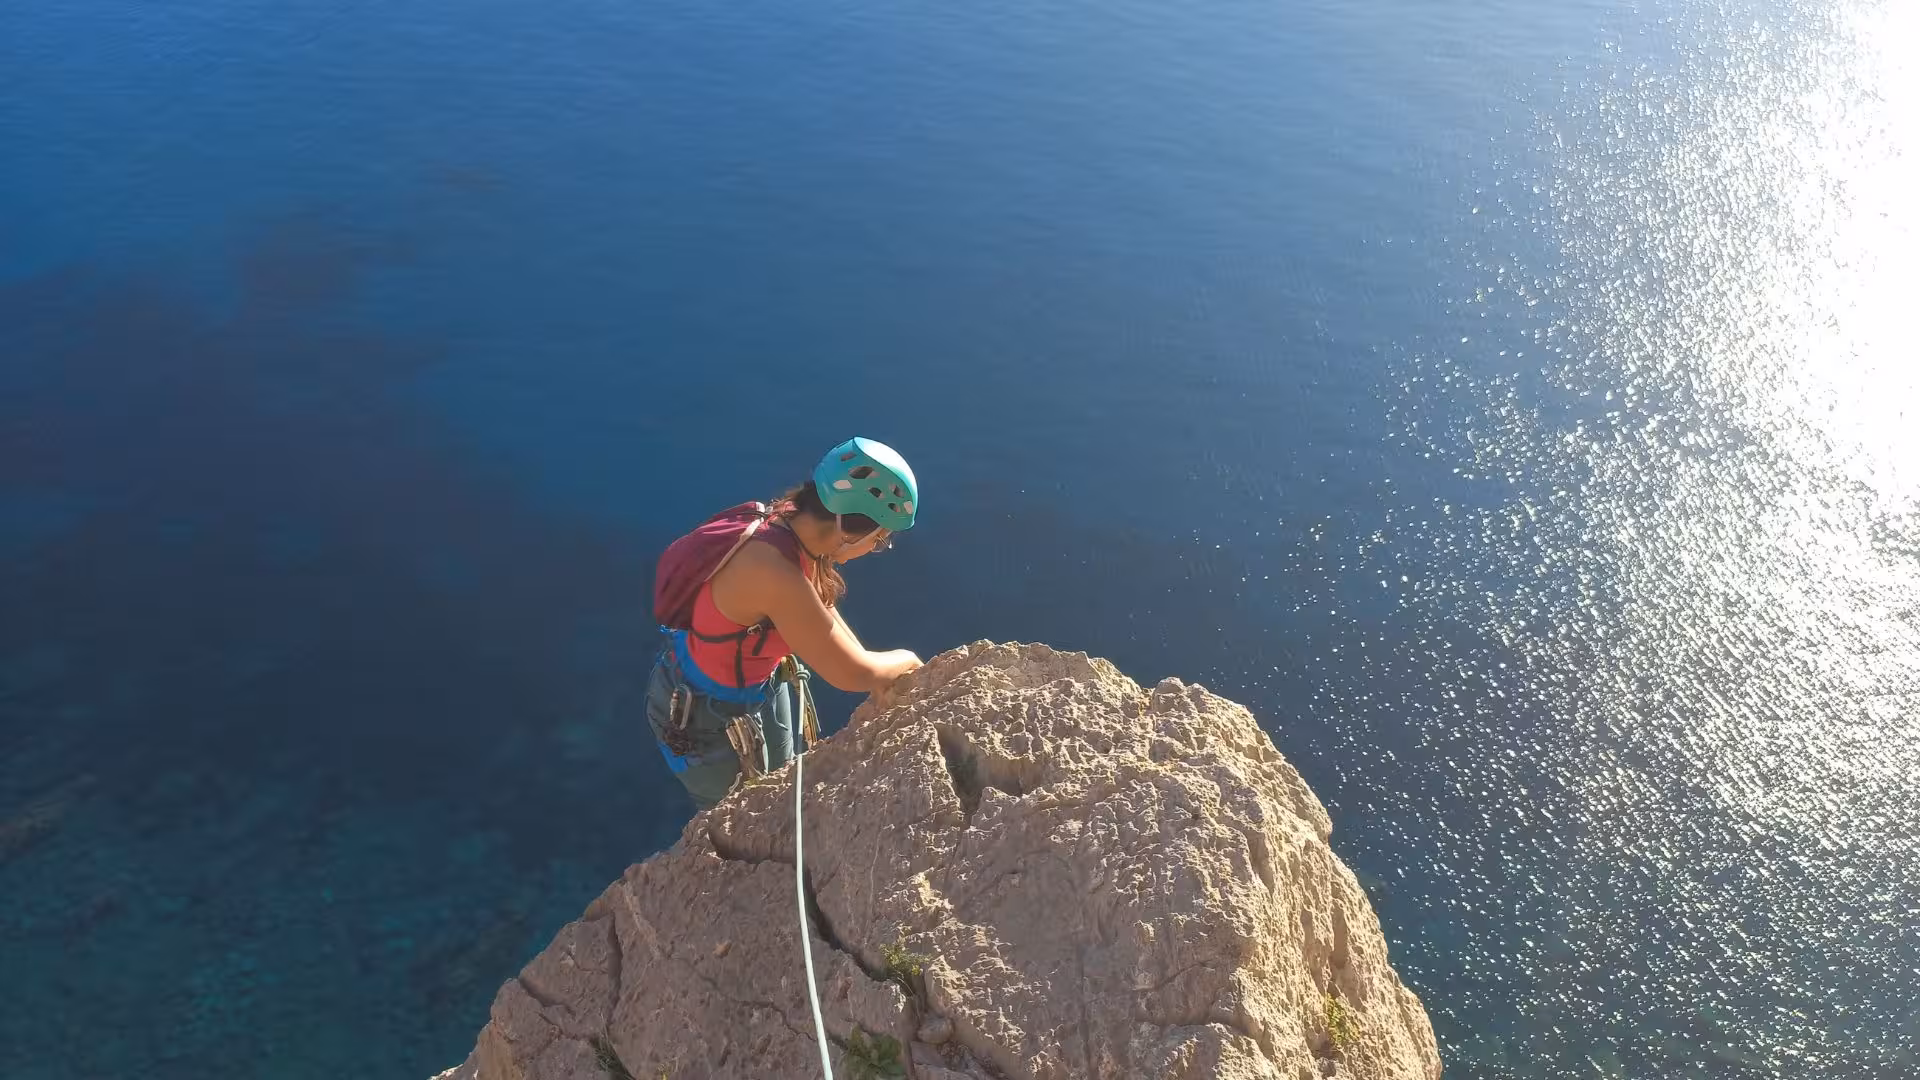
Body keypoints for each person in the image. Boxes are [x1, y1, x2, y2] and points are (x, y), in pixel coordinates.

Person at [647, 437, 925, 808]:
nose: (875, 551)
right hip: (704, 715)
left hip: (746, 686)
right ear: (850, 531)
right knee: (737, 815)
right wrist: (908, 660)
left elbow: (820, 613)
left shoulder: (787, 525)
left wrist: (876, 669)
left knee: (778, 793)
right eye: (878, 542)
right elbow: (852, 673)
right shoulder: (774, 572)